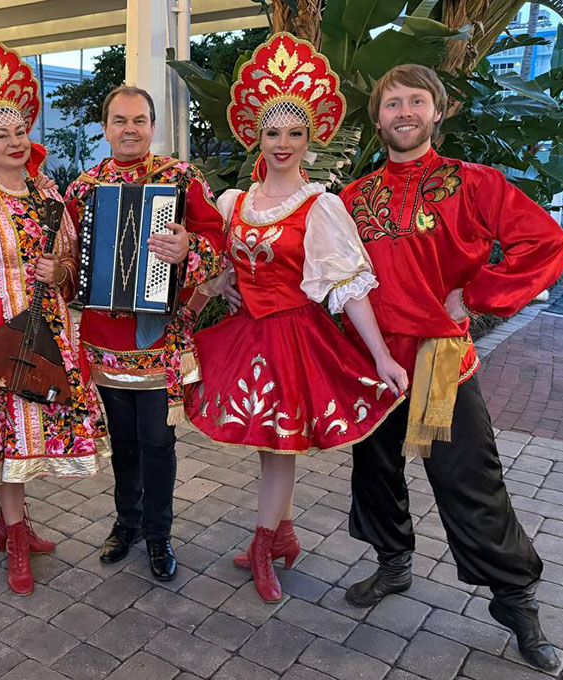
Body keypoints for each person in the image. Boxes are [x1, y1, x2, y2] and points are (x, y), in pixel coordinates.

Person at [339, 64, 563, 672]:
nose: (405, 111)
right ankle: (392, 565)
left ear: (437, 112)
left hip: (440, 358)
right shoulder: (352, 199)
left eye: (417, 101)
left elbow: (547, 244)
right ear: (378, 117)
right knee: (376, 472)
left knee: (471, 483)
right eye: (393, 102)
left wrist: (478, 294)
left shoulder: (474, 184)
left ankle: (516, 601)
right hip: (371, 363)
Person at [184, 32, 408, 604]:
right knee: (270, 446)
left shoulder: (320, 206)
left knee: (279, 448)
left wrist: (380, 354)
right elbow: (219, 268)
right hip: (246, 336)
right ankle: (281, 534)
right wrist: (219, 287)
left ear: (310, 140)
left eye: (295, 133)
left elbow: (349, 286)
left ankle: (264, 544)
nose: (282, 143)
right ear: (256, 135)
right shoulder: (234, 203)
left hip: (293, 337)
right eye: (273, 132)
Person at [0, 42, 108, 596]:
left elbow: (73, 264)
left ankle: (18, 525)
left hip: (52, 329)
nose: (12, 142)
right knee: (7, 439)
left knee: (34, 437)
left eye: (18, 131)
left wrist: (59, 273)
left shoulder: (49, 194)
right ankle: (13, 537)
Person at [64, 85, 225, 581]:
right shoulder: (82, 189)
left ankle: (159, 534)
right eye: (119, 120)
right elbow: (72, 266)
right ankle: (126, 522)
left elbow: (219, 243)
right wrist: (60, 269)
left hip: (160, 341)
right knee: (124, 440)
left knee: (158, 442)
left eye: (139, 120)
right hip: (103, 339)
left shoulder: (182, 179)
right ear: (106, 126)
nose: (129, 129)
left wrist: (187, 248)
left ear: (152, 127)